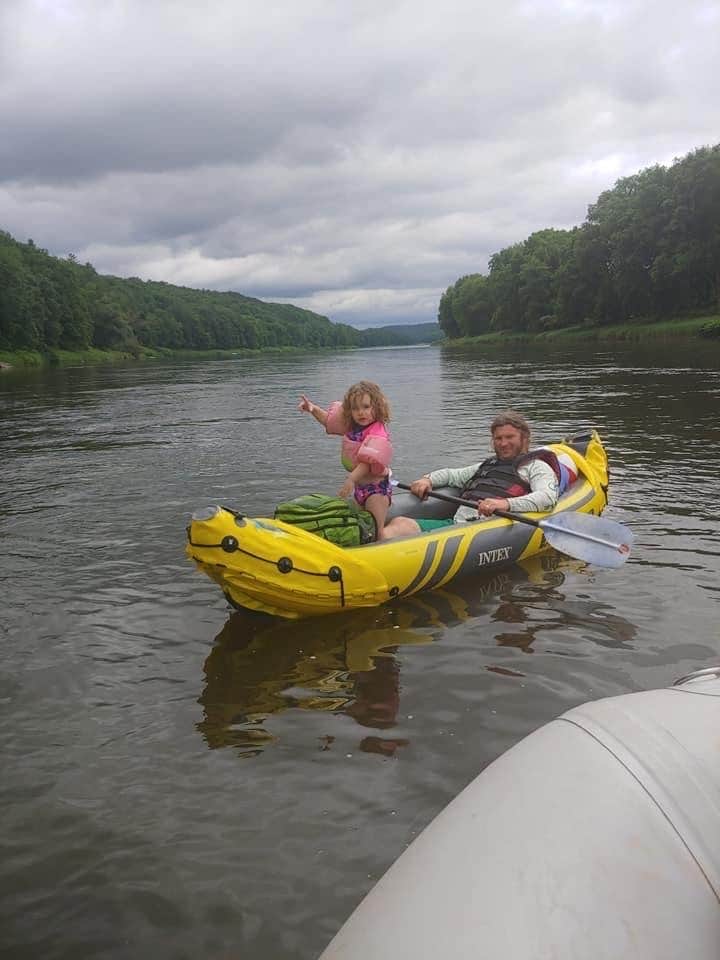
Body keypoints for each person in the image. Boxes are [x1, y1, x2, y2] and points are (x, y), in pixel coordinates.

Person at [382, 410, 561, 539]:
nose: (503, 443)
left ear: (524, 439)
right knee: (401, 523)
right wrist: (427, 479)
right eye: (498, 438)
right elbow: (452, 475)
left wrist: (504, 504)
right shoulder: (488, 465)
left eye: (510, 437)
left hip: (489, 531)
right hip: (457, 526)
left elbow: (547, 498)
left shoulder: (536, 467)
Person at [298, 380, 393, 540]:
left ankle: (400, 534)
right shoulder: (353, 426)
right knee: (362, 527)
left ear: (376, 407)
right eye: (355, 409)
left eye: (366, 407)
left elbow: (367, 462)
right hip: (360, 488)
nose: (360, 412)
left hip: (376, 490)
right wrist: (312, 409)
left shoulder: (377, 431)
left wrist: (350, 479)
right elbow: (329, 420)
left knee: (377, 532)